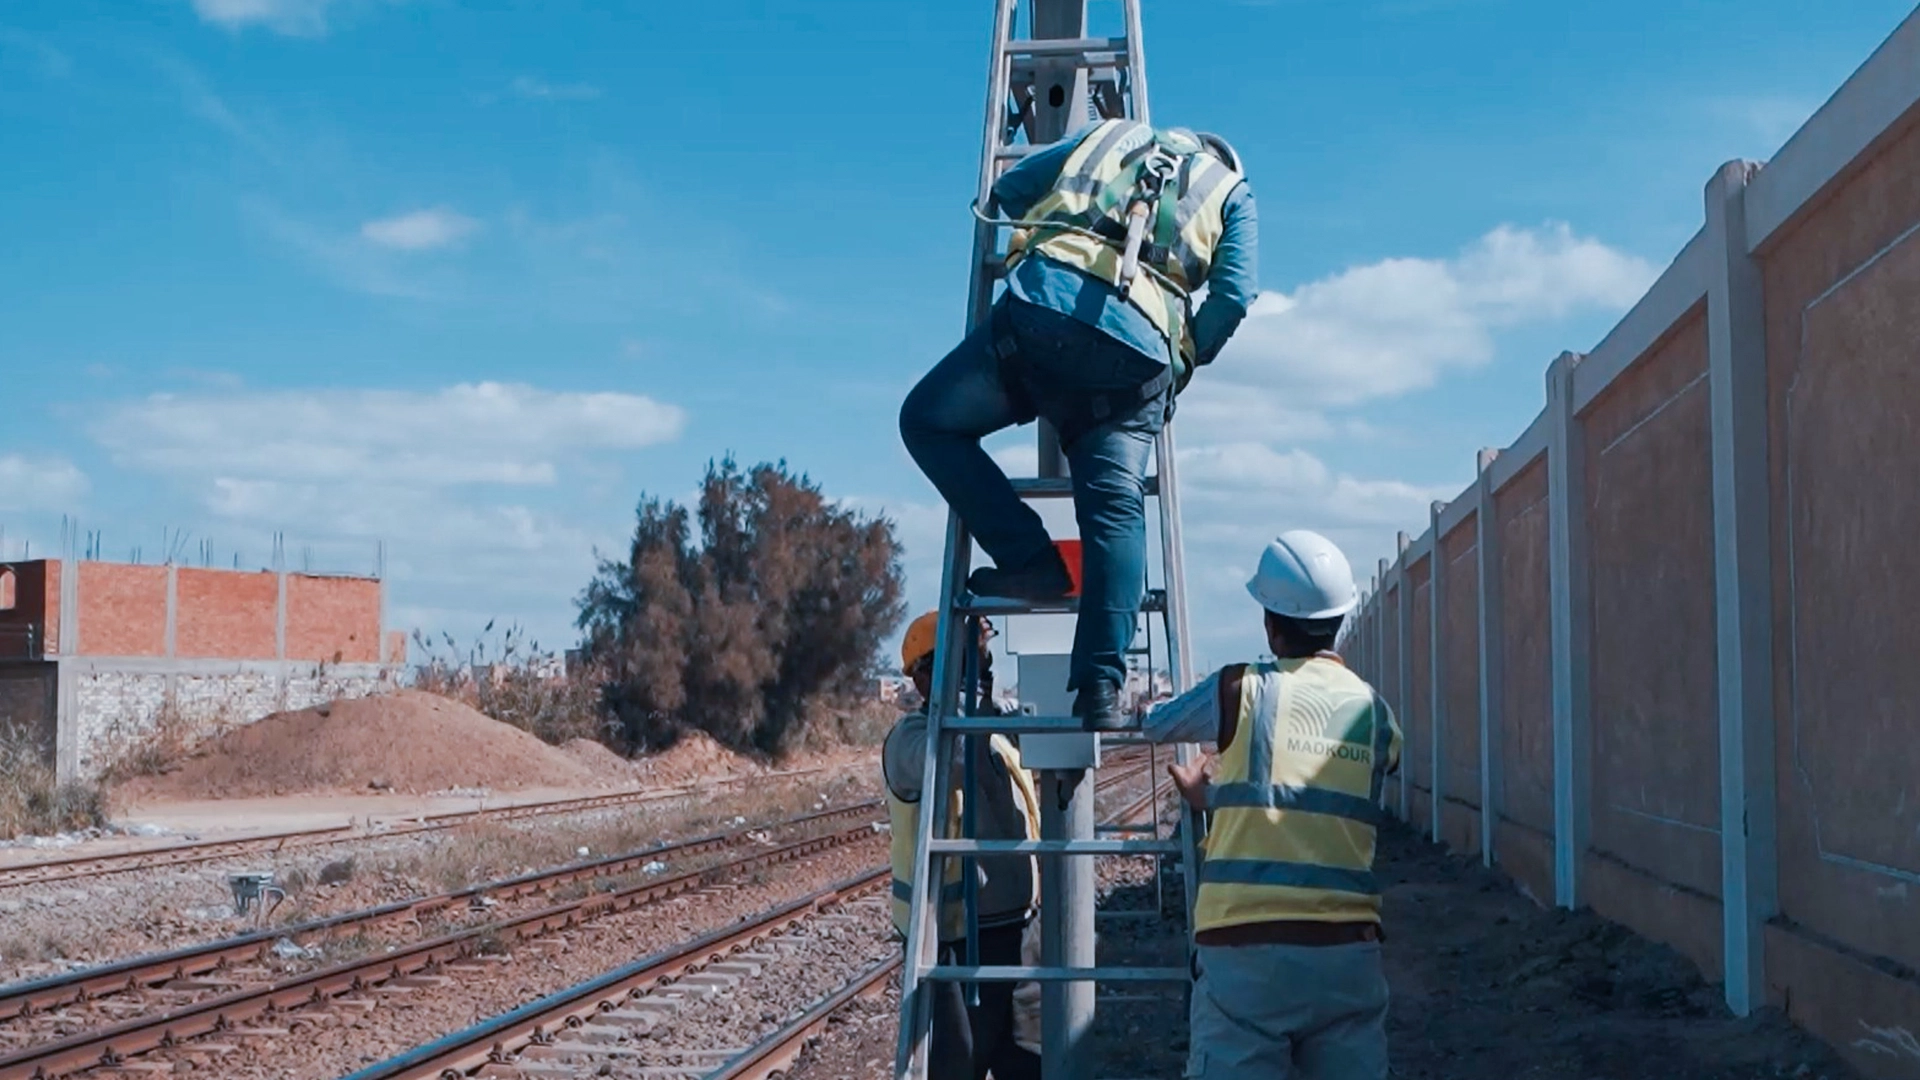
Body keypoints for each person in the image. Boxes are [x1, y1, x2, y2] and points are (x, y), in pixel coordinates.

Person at [900, 119, 1258, 731]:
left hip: (1042, 315)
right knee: (1116, 513)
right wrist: (1185, 357)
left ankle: (1031, 559)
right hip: (1134, 360)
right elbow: (1233, 296)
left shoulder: (1112, 134)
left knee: (928, 422)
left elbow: (1010, 190)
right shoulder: (1232, 194)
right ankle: (1099, 689)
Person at [1136, 531, 1403, 1079]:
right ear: (1339, 620)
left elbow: (1157, 724)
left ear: (1270, 624)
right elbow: (1311, 799)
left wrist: (1202, 789)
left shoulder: (1242, 689)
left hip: (1244, 952)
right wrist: (1215, 798)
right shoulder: (1376, 713)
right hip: (1345, 952)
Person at [885, 611, 1044, 1079]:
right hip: (951, 938)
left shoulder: (997, 730)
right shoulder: (909, 741)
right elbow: (957, 759)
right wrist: (972, 703)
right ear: (922, 678)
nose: (978, 669)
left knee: (1027, 1063)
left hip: (1017, 930)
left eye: (980, 658)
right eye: (964, 660)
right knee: (959, 1061)